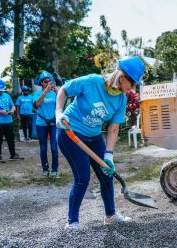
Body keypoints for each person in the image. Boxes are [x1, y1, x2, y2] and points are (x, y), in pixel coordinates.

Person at [55, 55, 145, 229]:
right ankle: (72, 222)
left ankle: (110, 215)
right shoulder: (91, 82)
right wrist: (59, 113)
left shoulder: (121, 99)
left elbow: (113, 129)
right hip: (70, 132)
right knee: (82, 178)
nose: (133, 88)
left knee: (106, 174)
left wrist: (109, 155)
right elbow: (64, 90)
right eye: (133, 83)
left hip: (94, 136)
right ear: (121, 77)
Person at [0, 79, 24, 162]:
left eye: (2, 90)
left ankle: (13, 155)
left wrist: (12, 110)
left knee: (11, 138)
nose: (0, 92)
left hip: (8, 121)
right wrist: (0, 111)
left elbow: (13, 105)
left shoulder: (7, 96)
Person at [33, 71, 59, 178]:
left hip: (53, 123)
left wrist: (57, 91)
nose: (48, 83)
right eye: (45, 81)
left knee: (54, 147)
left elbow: (62, 104)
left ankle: (55, 170)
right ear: (41, 83)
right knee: (43, 148)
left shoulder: (54, 93)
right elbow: (37, 105)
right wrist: (45, 92)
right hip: (41, 123)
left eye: (50, 81)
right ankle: (45, 170)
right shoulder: (37, 94)